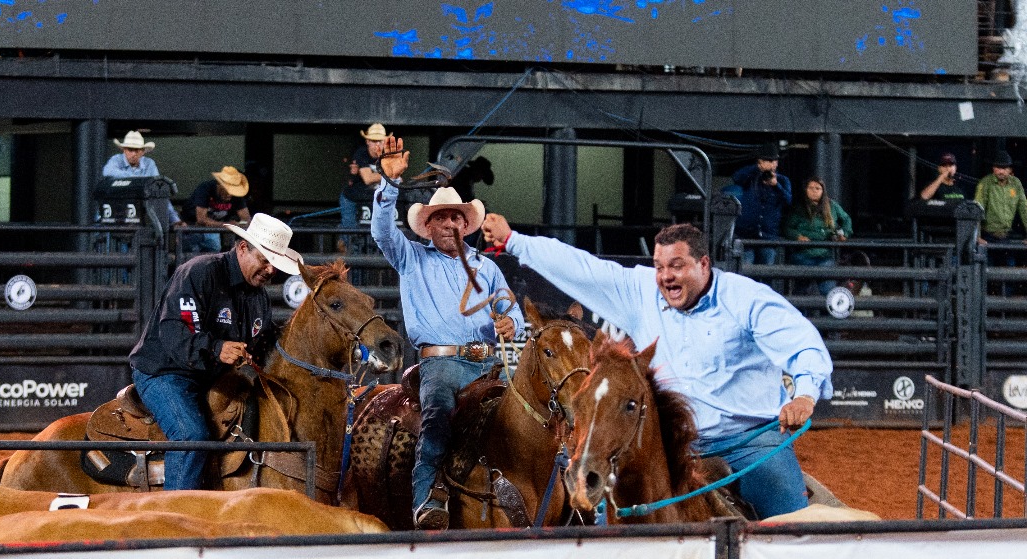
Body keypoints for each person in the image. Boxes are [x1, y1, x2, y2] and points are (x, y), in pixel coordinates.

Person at [480, 216, 832, 519]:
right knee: (608, 511)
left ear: (704, 264)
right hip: (673, 442)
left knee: (791, 523)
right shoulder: (641, 291)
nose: (665, 277)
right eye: (660, 266)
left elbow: (801, 342)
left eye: (677, 266)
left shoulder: (746, 299)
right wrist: (515, 241)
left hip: (751, 438)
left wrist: (803, 394)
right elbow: (581, 267)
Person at [372, 136, 524, 531]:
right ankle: (426, 501)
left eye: (457, 217)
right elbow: (382, 232)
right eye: (442, 217)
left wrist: (510, 323)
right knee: (437, 417)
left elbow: (512, 313)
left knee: (524, 417)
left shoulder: (487, 268)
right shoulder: (411, 258)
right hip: (440, 363)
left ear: (464, 224)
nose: (451, 224)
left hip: (486, 363)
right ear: (429, 226)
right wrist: (388, 185)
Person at [129, 213, 300, 490]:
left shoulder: (259, 297)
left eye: (275, 264)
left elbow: (264, 339)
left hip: (212, 376)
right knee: (190, 436)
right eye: (265, 260)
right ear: (243, 248)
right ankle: (174, 517)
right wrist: (216, 348)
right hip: (164, 372)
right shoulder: (199, 272)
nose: (270, 270)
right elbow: (174, 331)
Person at [783, 176, 852, 296]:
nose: (814, 191)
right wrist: (797, 236)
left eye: (817, 188)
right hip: (803, 255)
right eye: (810, 188)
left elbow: (846, 219)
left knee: (828, 292)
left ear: (822, 191)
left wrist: (844, 234)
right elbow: (787, 227)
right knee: (801, 291)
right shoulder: (799, 208)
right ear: (806, 190)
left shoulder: (832, 206)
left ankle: (827, 315)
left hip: (825, 255)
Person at [102, 130, 183, 227]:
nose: (133, 154)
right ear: (124, 150)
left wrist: (174, 219)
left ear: (142, 152)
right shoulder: (116, 160)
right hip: (115, 209)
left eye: (137, 150)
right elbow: (107, 171)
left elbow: (159, 189)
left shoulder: (149, 164)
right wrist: (138, 180)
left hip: (137, 212)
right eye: (130, 150)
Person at [731, 144, 791, 265]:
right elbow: (736, 177)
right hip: (746, 234)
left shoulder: (783, 180)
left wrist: (776, 186)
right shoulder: (751, 177)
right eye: (767, 161)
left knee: (767, 271)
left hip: (768, 235)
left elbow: (788, 200)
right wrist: (758, 168)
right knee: (746, 271)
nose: (771, 164)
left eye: (773, 161)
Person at [338, 122, 388, 253]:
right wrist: (389, 174)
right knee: (351, 233)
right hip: (352, 199)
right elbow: (368, 179)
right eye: (373, 141)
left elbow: (398, 179)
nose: (377, 145)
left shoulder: (389, 156)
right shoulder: (361, 153)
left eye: (380, 141)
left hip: (373, 200)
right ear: (367, 141)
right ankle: (344, 243)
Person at [974, 150, 1027, 267]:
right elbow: (977, 209)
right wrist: (977, 236)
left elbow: (1024, 209)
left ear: (1010, 170)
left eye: (1004, 168)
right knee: (987, 271)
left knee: (1008, 270)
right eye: (998, 167)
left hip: (1007, 236)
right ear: (993, 168)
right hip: (988, 236)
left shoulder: (1016, 184)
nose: (1001, 171)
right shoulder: (986, 183)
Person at [183, 166, 251, 254]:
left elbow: (246, 218)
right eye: (227, 190)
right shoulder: (205, 189)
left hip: (213, 231)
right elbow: (201, 219)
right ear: (219, 184)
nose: (230, 195)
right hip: (191, 228)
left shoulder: (236, 196)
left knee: (213, 255)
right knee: (189, 258)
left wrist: (239, 225)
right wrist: (227, 225)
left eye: (233, 191)